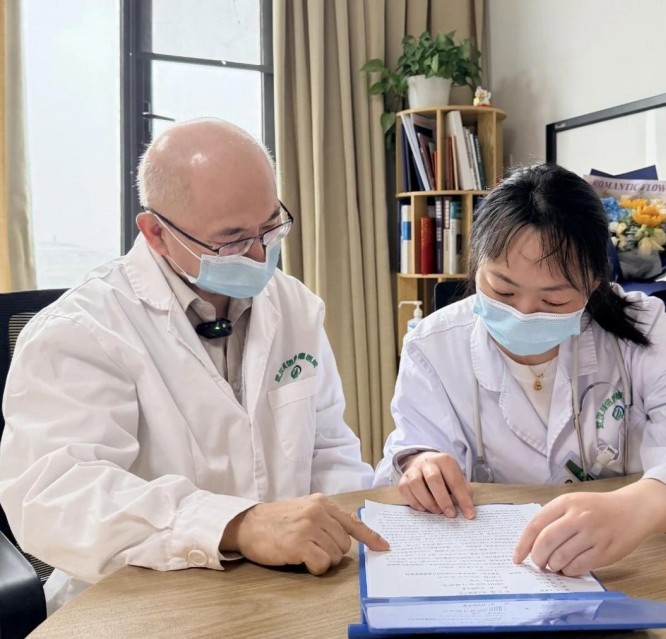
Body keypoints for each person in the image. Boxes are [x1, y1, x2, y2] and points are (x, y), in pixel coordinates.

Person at [0, 119, 388, 612]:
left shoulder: (294, 306)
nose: (260, 255)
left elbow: (328, 450)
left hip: (284, 590)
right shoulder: (82, 329)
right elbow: (56, 498)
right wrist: (235, 524)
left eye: (271, 226)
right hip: (138, 602)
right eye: (232, 241)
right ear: (156, 233)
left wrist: (344, 531)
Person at [374, 163, 666, 577]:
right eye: (502, 290)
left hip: (630, 566)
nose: (523, 313)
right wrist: (420, 464)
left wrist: (640, 507)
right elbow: (410, 452)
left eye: (553, 301)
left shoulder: (641, 327)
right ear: (476, 264)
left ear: (594, 283)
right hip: (495, 570)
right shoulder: (433, 344)